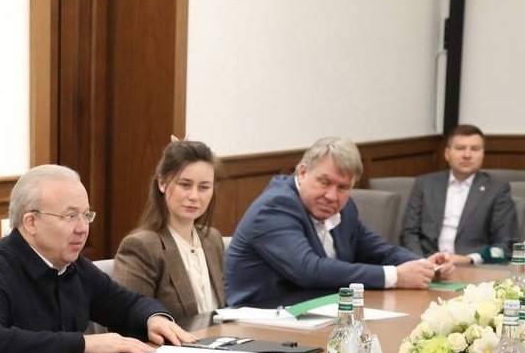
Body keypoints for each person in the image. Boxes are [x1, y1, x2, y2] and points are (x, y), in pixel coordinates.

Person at [0, 165, 195, 353]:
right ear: (30, 222)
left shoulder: (72, 266)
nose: (83, 228)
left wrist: (154, 318)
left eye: (86, 215)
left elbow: (127, 304)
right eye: (70, 216)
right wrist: (83, 344)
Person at [226, 136, 455, 307]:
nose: (332, 196)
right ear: (302, 172)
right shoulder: (275, 207)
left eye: (343, 187)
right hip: (261, 320)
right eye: (324, 182)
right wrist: (395, 277)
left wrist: (423, 265)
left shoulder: (344, 207)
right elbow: (309, 269)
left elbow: (376, 249)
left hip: (319, 313)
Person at [113, 140, 226, 319]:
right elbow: (126, 319)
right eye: (185, 185)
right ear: (162, 183)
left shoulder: (213, 239)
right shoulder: (142, 246)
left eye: (204, 187)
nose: (194, 196)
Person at [400, 124, 518, 264]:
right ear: (447, 153)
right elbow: (408, 233)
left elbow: (506, 246)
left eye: (475, 149)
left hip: (473, 267)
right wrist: (422, 262)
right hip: (426, 263)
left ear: (483, 154)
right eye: (460, 148)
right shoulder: (425, 184)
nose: (467, 155)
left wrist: (471, 259)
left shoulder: (497, 189)